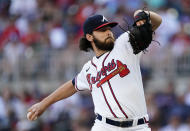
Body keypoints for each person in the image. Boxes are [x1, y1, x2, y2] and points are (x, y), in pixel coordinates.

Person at [27, 9, 162, 131]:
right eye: (102, 30)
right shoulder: (88, 69)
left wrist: (146, 14)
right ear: (90, 37)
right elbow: (72, 85)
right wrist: (43, 104)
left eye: (109, 28)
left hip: (137, 127)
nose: (108, 32)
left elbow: (157, 22)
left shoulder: (125, 44)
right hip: (104, 126)